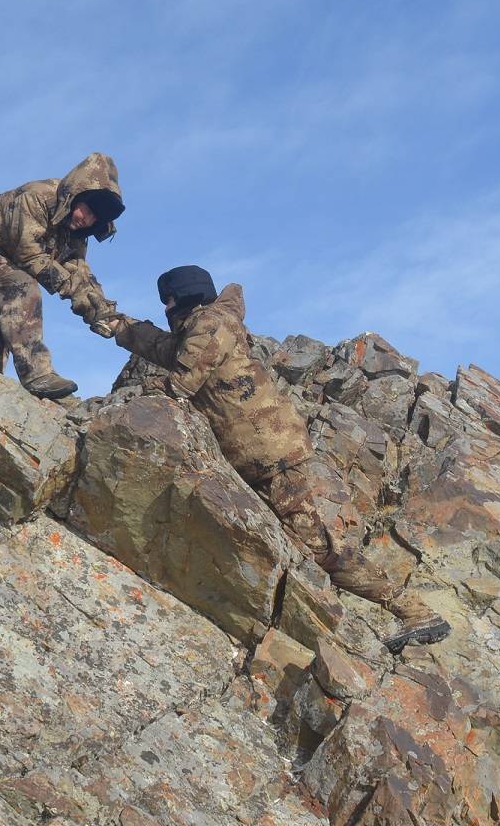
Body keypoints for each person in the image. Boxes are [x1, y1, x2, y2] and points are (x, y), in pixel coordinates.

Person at [107, 265, 450, 654]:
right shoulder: (207, 327)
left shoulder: (210, 325)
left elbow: (181, 382)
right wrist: (117, 324)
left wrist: (143, 391)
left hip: (269, 456)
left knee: (318, 548)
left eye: (168, 300)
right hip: (263, 455)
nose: (166, 308)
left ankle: (413, 611)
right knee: (298, 545)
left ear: (183, 297)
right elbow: (163, 348)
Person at [0, 153, 124, 400]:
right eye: (87, 211)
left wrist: (102, 312)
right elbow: (30, 256)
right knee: (21, 286)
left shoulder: (76, 231)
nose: (87, 220)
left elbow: (78, 271)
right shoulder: (37, 198)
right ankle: (36, 374)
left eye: (95, 218)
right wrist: (72, 291)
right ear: (77, 194)